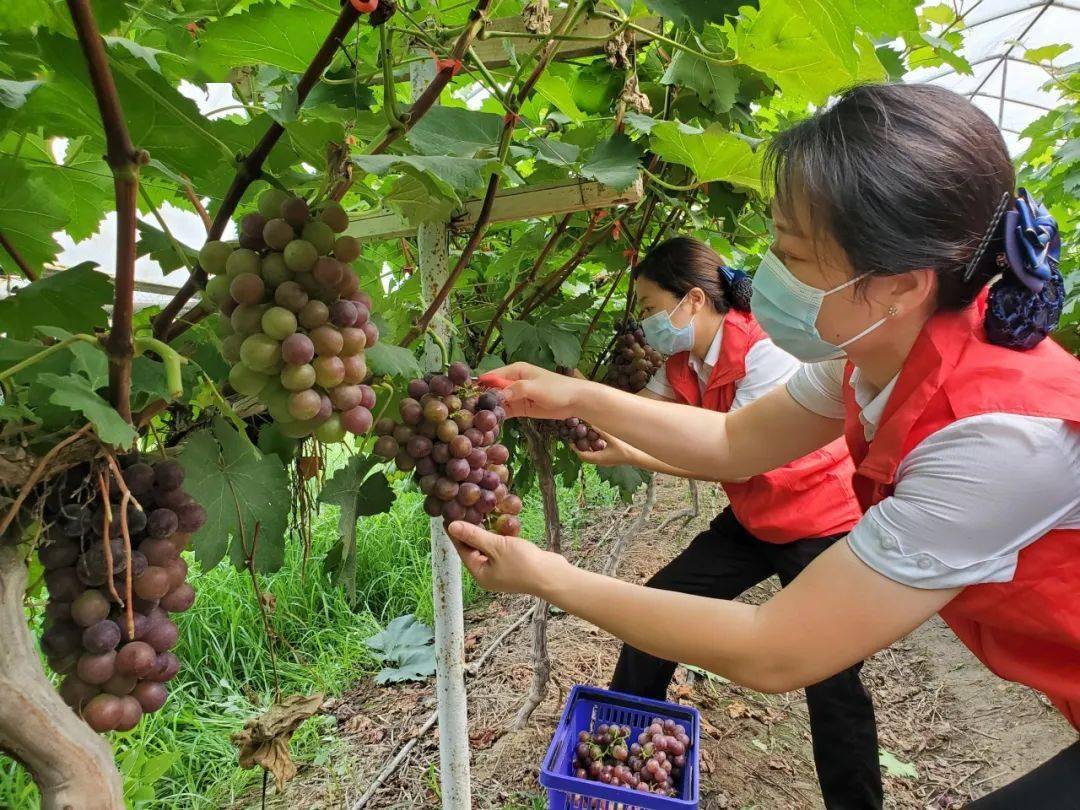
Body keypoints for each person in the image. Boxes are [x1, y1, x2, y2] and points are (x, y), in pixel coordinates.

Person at [449, 83, 1080, 807]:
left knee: (830, 682)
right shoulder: (874, 353)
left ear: (900, 284)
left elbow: (774, 649)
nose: (765, 275)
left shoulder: (995, 440)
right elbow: (733, 441)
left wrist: (549, 578)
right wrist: (577, 394)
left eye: (794, 255)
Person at [586, 236, 882, 809]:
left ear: (692, 300)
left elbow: (730, 453)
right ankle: (618, 753)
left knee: (832, 680)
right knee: (659, 609)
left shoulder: (764, 352)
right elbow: (646, 414)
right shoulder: (685, 361)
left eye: (651, 308)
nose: (647, 324)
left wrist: (627, 452)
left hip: (819, 521)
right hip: (756, 517)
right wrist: (578, 405)